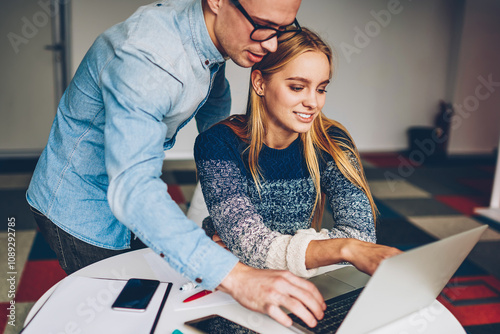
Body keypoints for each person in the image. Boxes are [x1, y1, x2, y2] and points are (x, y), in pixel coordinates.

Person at [26, 0, 327, 328]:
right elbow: (135, 193)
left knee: (156, 297)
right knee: (116, 317)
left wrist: (225, 172)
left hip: (130, 192)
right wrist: (239, 278)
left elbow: (215, 96)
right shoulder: (149, 59)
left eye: (283, 28)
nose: (271, 44)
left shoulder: (217, 33)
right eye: (262, 25)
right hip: (81, 205)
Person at [194, 27, 401, 279]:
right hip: (230, 278)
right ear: (260, 83)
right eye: (297, 87)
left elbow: (361, 236)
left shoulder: (331, 141)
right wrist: (342, 248)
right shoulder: (216, 144)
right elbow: (251, 244)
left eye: (321, 88)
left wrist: (251, 252)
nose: (313, 102)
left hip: (292, 278)